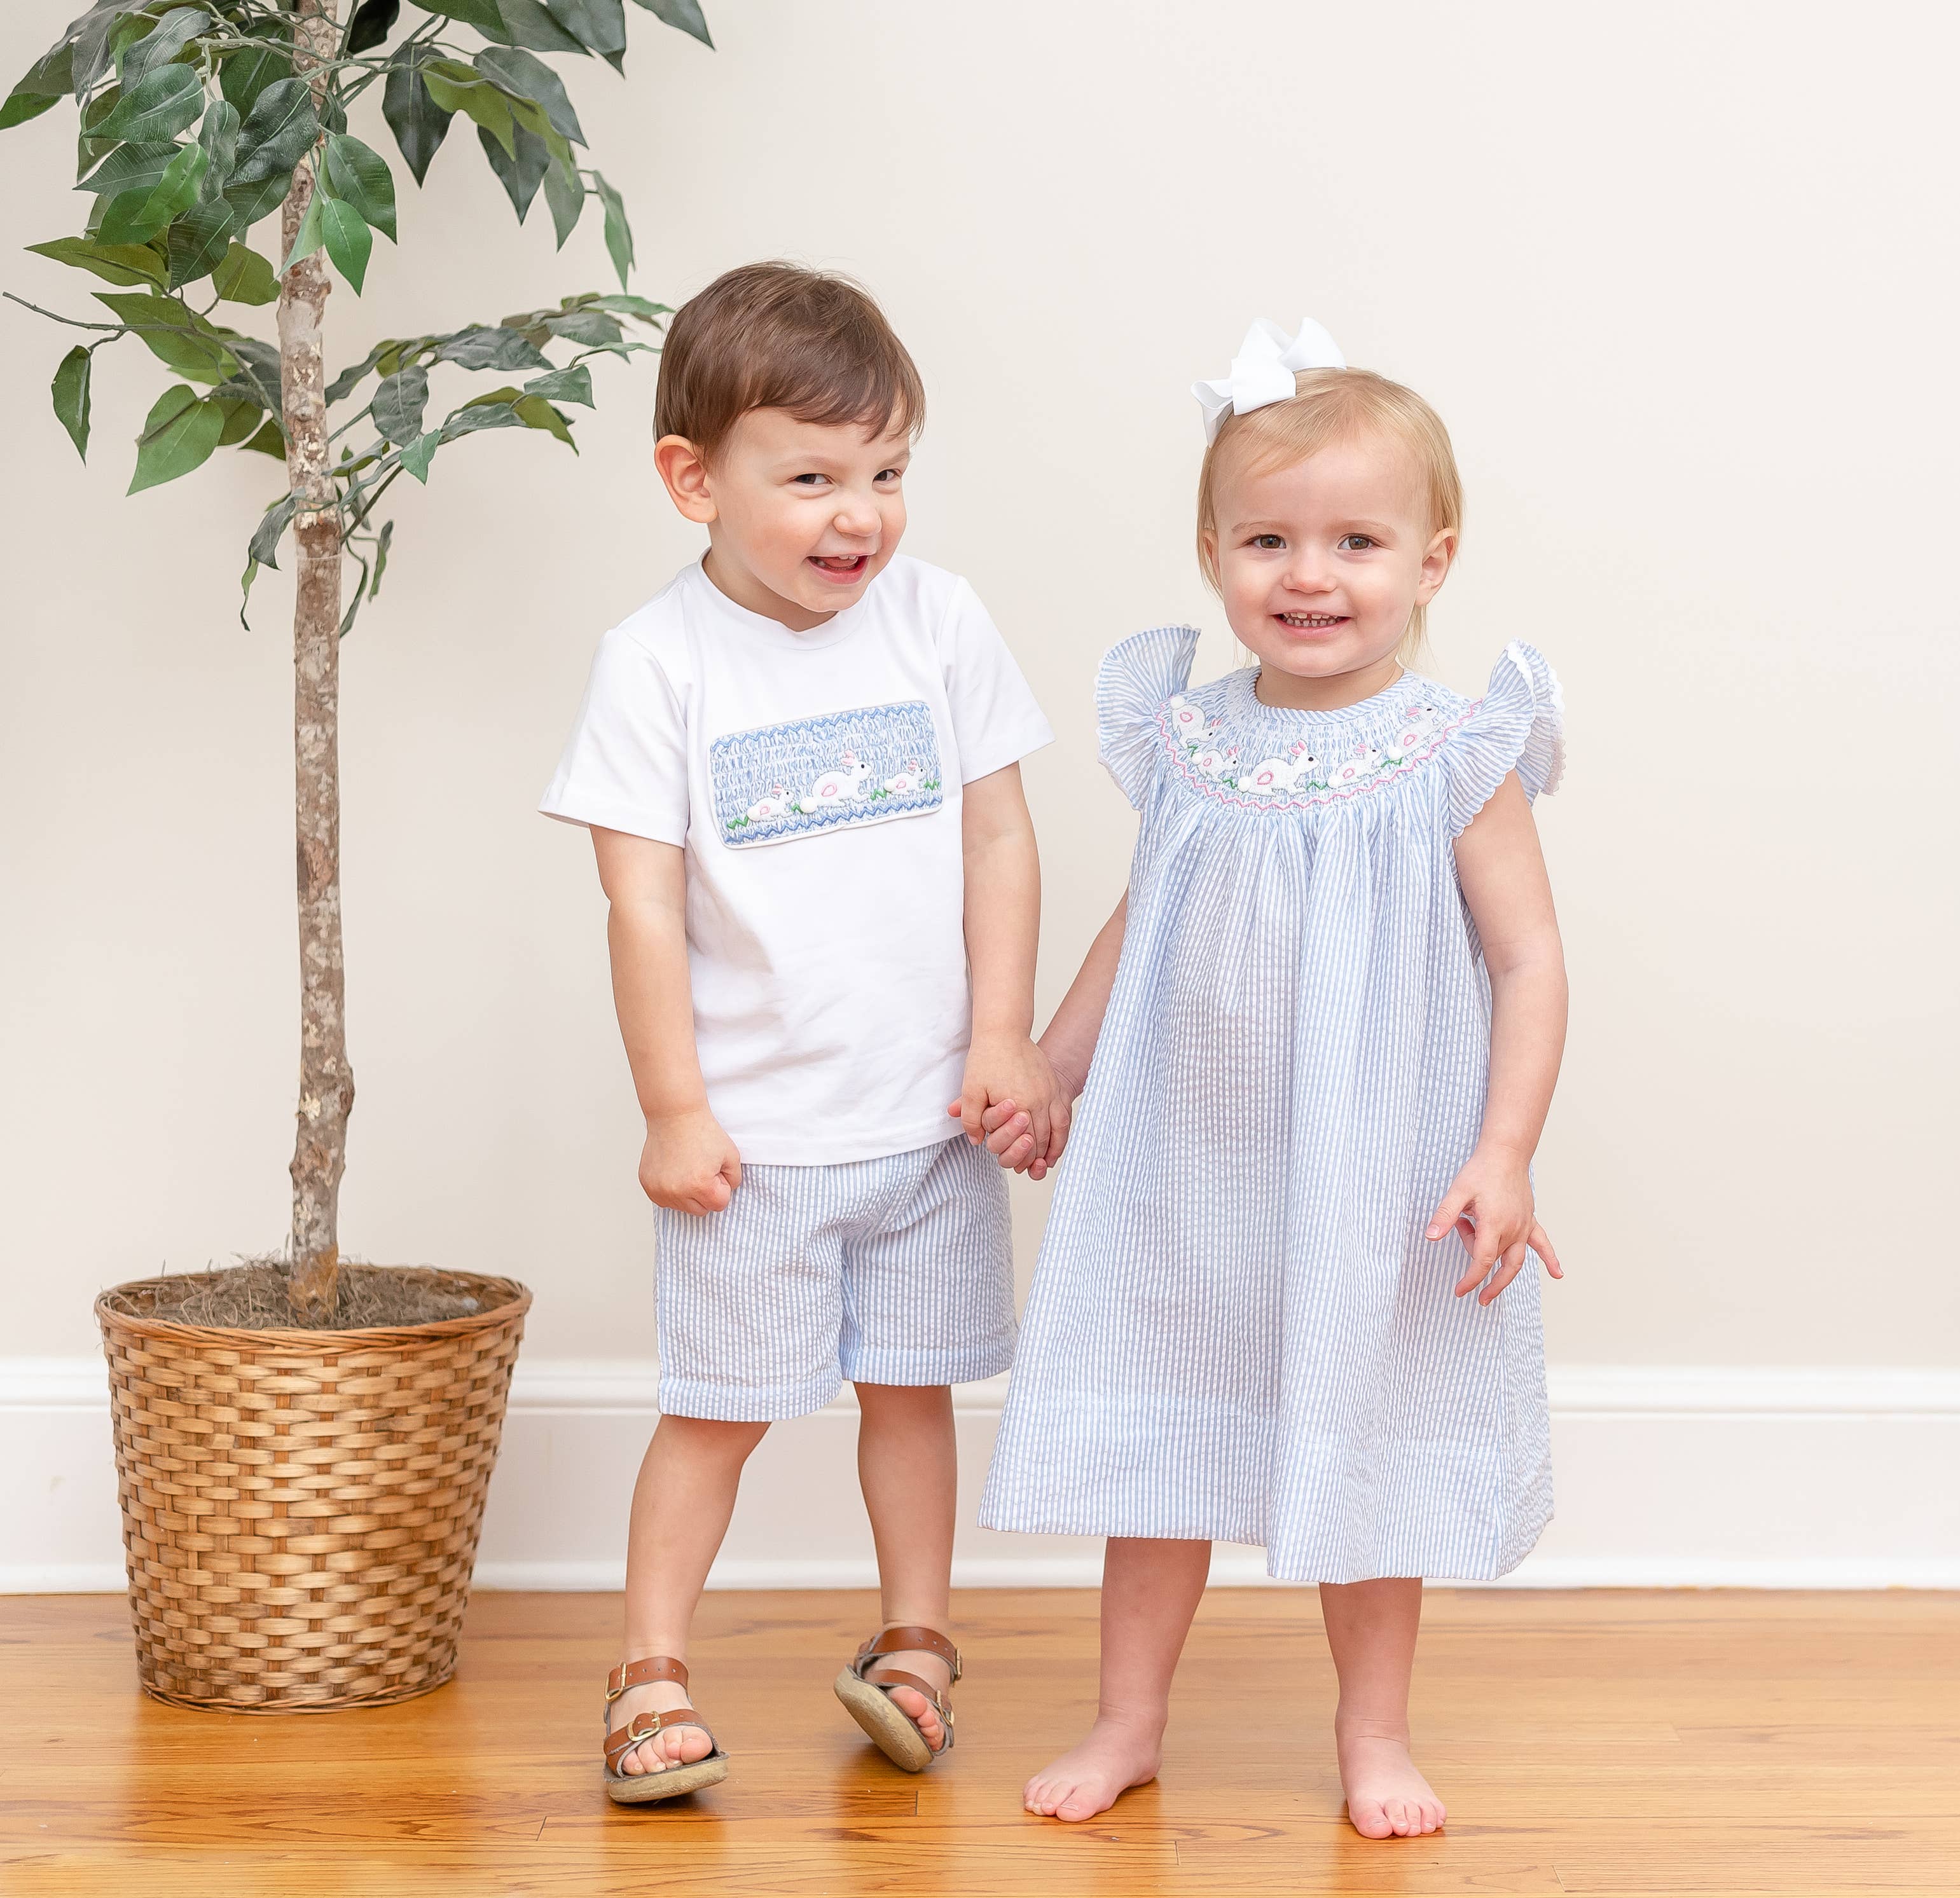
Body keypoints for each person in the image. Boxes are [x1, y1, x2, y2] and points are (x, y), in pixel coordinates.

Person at [977, 319, 1571, 1839]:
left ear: (1433, 559)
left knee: (1363, 1441)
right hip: (1190, 1157)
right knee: (1163, 1449)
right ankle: (1130, 1717)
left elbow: (1528, 961)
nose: (1309, 575)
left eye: (1355, 540)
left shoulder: (1453, 746)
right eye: (1268, 539)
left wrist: (1503, 1150)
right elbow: (1144, 914)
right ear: (1212, 551)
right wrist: (1053, 1058)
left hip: (1376, 1160)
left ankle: (1373, 1732)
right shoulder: (1188, 735)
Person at [539, 262, 1058, 1803]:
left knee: (914, 1393)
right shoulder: (660, 663)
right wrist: (673, 1107)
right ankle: (649, 1669)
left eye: (888, 473)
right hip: (754, 1140)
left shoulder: (938, 620)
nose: (861, 516)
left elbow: (999, 844)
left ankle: (917, 1643)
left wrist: (1006, 1037)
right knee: (714, 1413)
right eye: (814, 477)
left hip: (923, 1120)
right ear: (692, 479)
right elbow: (639, 905)